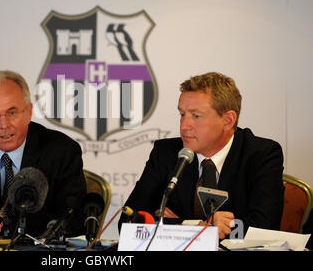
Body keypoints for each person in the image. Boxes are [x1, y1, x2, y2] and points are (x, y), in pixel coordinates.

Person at [119, 72, 285, 239]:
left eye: (196, 116)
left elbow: (264, 229)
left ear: (227, 120)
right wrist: (197, 226)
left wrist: (178, 225)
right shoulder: (166, 152)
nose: (184, 126)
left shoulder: (262, 154)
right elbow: (128, 221)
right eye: (182, 114)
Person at [0, 70, 87, 239]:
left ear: (29, 112)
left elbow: (73, 219)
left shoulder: (61, 150)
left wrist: (6, 225)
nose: (3, 125)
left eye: (11, 113)